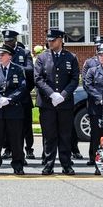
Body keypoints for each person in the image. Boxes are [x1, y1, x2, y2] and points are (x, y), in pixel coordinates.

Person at [35, 29, 79, 175]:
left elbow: (74, 79)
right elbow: (38, 79)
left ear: (61, 40)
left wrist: (64, 94)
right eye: (49, 40)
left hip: (65, 103)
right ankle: (49, 164)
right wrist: (52, 94)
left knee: (65, 135)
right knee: (49, 135)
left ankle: (66, 164)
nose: (50, 42)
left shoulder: (71, 57)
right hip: (47, 103)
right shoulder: (42, 57)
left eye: (53, 40)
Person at [0, 30, 35, 161]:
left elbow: (30, 71)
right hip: (0, 97)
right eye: (6, 40)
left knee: (22, 127)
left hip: (20, 96)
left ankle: (25, 151)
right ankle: (7, 150)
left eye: (10, 40)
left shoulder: (24, 53)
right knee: (1, 129)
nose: (8, 42)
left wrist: (13, 66)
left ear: (15, 40)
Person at [0, 44, 26, 175]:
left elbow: (22, 87)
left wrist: (9, 99)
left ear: (10, 56)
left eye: (2, 54)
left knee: (15, 139)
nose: (0, 56)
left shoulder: (18, 69)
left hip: (13, 110)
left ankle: (18, 165)